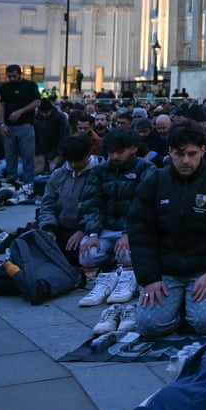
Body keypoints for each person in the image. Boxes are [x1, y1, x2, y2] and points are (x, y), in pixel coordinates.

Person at [129, 121, 206, 338]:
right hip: (165, 271)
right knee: (149, 325)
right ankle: (176, 306)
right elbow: (140, 231)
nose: (186, 161)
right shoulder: (154, 181)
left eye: (192, 154)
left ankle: (187, 306)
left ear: (203, 150)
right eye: (179, 154)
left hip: (205, 269)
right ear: (169, 152)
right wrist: (150, 277)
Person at [77, 129, 155, 305]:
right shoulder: (99, 171)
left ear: (133, 149)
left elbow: (144, 206)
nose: (114, 156)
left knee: (127, 255)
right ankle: (108, 276)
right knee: (87, 255)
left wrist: (129, 233)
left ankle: (128, 278)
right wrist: (92, 233)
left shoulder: (147, 170)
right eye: (111, 152)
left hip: (134, 231)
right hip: (105, 229)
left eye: (120, 152)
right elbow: (92, 203)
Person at [36, 134, 98, 265]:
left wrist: (82, 230)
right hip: (58, 227)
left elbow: (98, 208)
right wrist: (49, 229)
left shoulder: (98, 173)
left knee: (84, 254)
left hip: (86, 230)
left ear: (88, 154)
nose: (74, 164)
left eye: (78, 160)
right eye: (70, 161)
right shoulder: (58, 175)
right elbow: (48, 204)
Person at [0, 64, 41, 185]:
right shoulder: (5, 87)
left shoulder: (30, 86)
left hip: (25, 124)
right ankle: (11, 177)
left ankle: (29, 180)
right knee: (10, 155)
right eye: (9, 76)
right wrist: (1, 123)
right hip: (9, 125)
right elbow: (1, 105)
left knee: (28, 155)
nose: (12, 79)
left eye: (14, 76)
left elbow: (37, 101)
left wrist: (21, 111)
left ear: (19, 74)